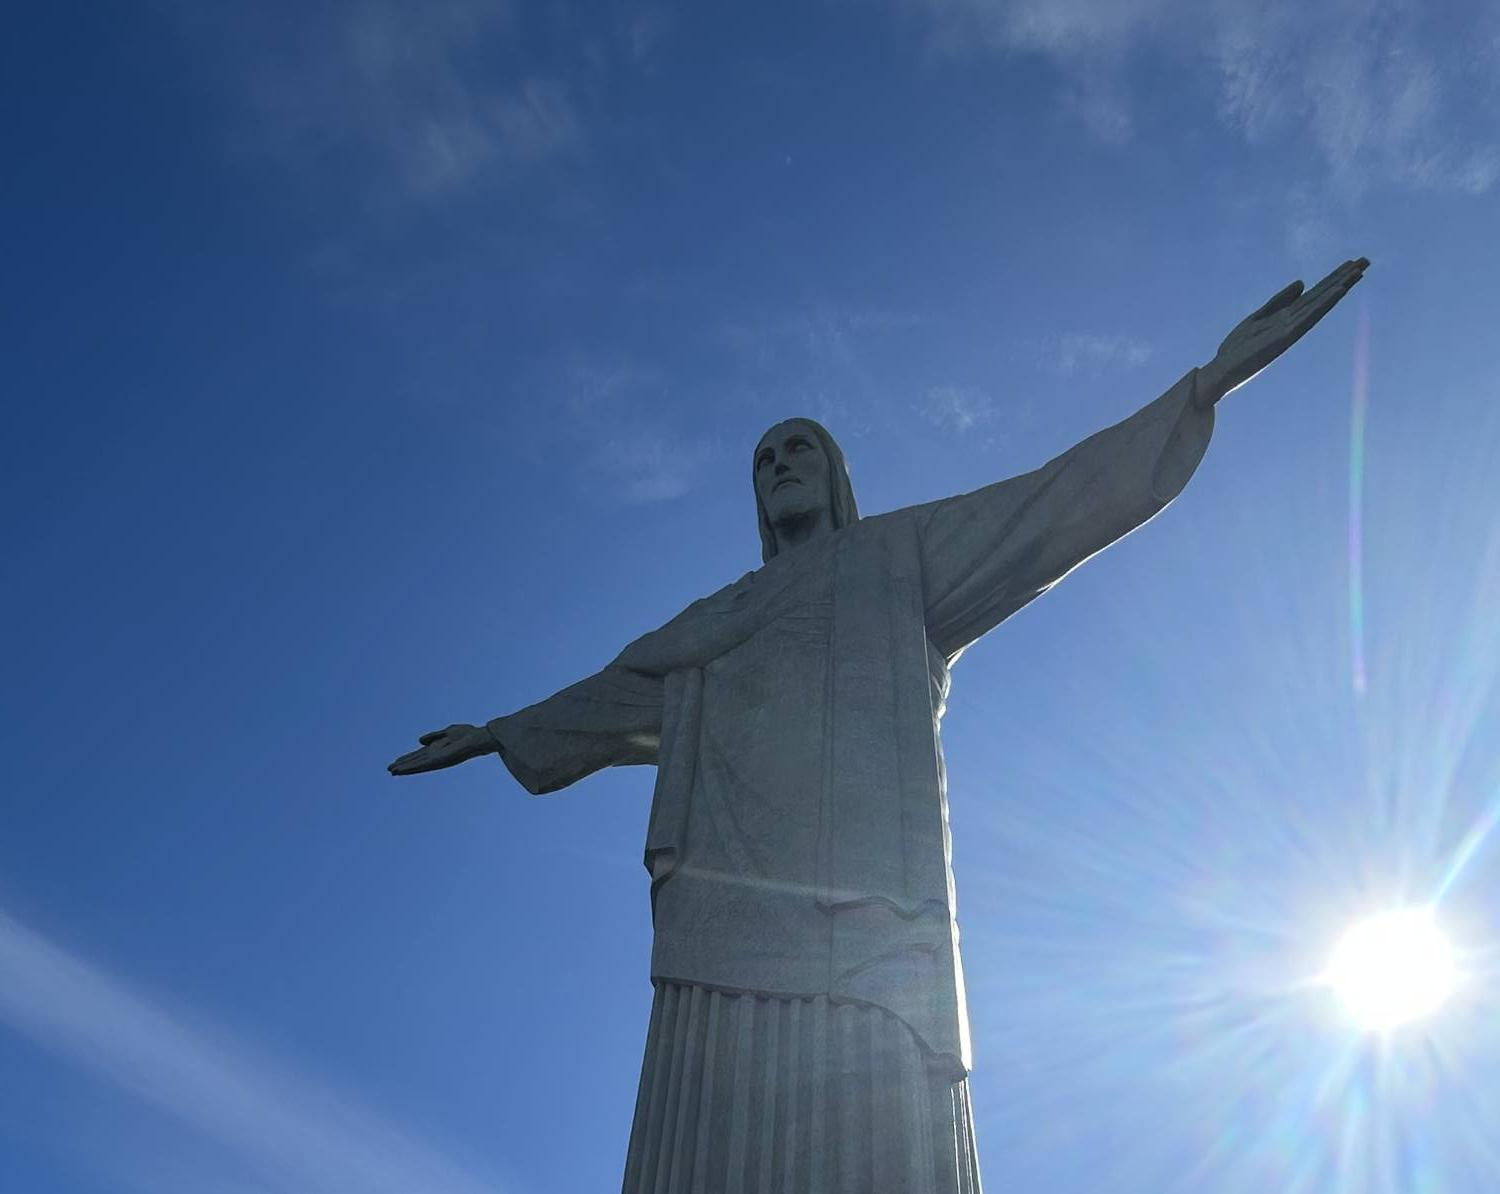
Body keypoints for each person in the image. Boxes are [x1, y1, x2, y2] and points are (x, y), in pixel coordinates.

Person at [389, 258, 1368, 1193]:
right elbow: (617, 691)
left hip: (875, 926)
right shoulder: (717, 620)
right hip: (723, 937)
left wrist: (1201, 389)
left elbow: (1048, 505)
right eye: (765, 458)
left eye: (799, 448)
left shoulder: (904, 558)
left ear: (836, 473)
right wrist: (499, 731)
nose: (780, 465)